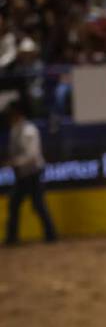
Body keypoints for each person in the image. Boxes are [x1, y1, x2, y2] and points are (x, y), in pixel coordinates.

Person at [4, 98, 56, 245]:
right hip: (22, 174)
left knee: (37, 204)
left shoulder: (29, 131)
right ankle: (12, 238)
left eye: (11, 114)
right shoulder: (15, 130)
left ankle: (51, 235)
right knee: (17, 204)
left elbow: (32, 155)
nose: (9, 118)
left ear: (18, 114)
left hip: (33, 172)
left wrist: (15, 162)